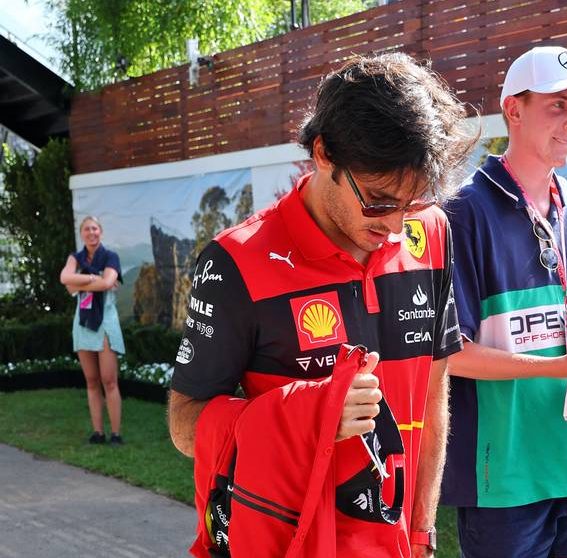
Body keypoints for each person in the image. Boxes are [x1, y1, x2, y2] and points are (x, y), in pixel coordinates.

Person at [167, 52, 476, 558]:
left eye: (414, 201)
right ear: (323, 154)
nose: (396, 226)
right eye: (378, 200)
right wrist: (311, 417)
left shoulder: (433, 234)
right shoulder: (237, 262)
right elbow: (185, 426)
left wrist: (423, 532)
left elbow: (433, 389)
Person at [441, 45, 567, 558]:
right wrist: (561, 367)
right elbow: (451, 355)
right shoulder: (462, 213)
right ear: (514, 109)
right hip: (508, 477)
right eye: (558, 106)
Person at [59, 215, 125, 445]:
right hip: (83, 325)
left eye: (95, 228)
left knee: (109, 380)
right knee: (91, 380)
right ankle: (98, 432)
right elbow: (65, 279)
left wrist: (79, 282)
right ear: (82, 233)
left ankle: (115, 434)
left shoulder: (110, 256)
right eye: (87, 229)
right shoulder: (75, 257)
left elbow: (108, 283)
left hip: (105, 323)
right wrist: (92, 277)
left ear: (101, 232)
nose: (91, 232)